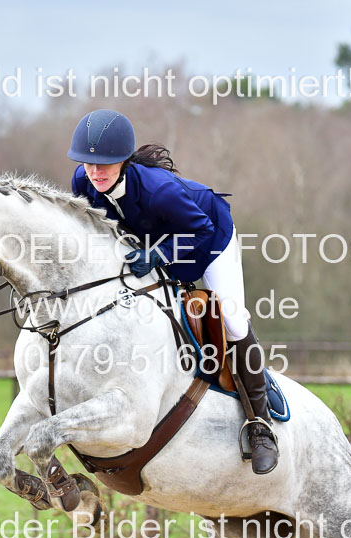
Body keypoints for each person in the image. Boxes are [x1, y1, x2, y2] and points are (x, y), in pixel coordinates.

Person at [68, 108, 279, 474]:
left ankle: (260, 425)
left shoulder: (160, 191)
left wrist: (159, 254)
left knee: (231, 320)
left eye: (105, 165)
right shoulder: (83, 182)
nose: (95, 172)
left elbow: (202, 231)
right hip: (152, 239)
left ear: (124, 162)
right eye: (88, 164)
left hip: (209, 237)